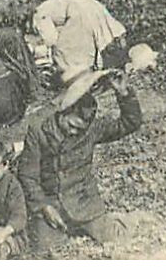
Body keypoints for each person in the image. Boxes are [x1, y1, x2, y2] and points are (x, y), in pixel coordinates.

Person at [19, 70, 142, 258]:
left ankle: (123, 220)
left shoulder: (92, 129)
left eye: (80, 129)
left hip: (84, 202)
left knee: (119, 241)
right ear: (62, 113)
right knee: (45, 253)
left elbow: (129, 123)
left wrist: (123, 93)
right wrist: (44, 207)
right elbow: (28, 175)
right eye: (72, 126)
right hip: (51, 205)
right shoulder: (38, 130)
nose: (75, 132)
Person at [33, 0, 128, 88]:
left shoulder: (38, 14)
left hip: (78, 13)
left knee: (67, 57)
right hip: (90, 5)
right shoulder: (53, 4)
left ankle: (76, 84)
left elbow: (51, 40)